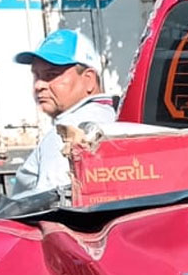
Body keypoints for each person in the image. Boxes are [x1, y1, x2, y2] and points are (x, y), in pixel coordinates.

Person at [10, 28, 116, 196]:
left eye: (51, 75)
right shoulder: (114, 117)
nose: (39, 85)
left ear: (88, 80)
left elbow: (51, 206)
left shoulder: (67, 133)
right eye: (36, 76)